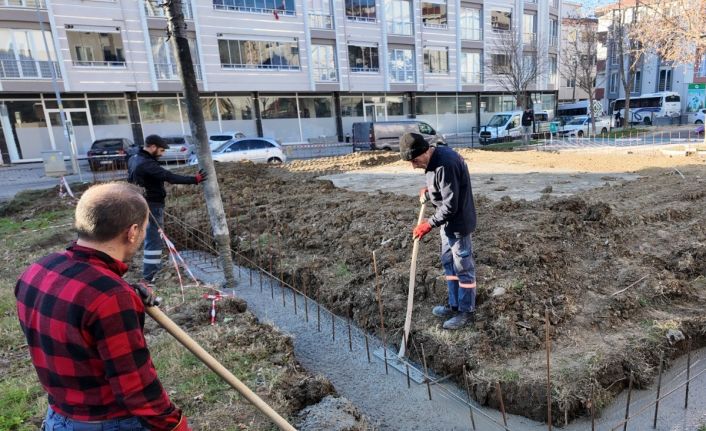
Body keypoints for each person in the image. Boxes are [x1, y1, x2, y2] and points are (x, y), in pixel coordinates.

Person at [15, 182, 191, 430]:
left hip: (58, 418)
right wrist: (175, 425)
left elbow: (74, 323)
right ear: (132, 232)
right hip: (108, 422)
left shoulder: (38, 270)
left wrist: (126, 292)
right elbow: (135, 388)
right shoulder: (111, 298)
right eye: (143, 230)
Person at [400, 133, 478, 330]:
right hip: (446, 223)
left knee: (463, 268)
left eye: (415, 160)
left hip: (458, 223)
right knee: (448, 263)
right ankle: (454, 305)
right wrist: (429, 192)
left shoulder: (446, 163)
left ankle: (466, 311)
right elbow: (440, 185)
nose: (414, 165)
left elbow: (451, 205)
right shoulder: (433, 160)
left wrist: (429, 224)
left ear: (425, 151)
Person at [128, 134, 206, 282]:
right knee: (154, 239)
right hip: (151, 205)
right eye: (161, 150)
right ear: (152, 147)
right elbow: (169, 176)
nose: (162, 153)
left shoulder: (134, 158)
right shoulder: (147, 164)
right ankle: (150, 275)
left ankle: (151, 271)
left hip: (140, 203)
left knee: (150, 238)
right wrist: (194, 180)